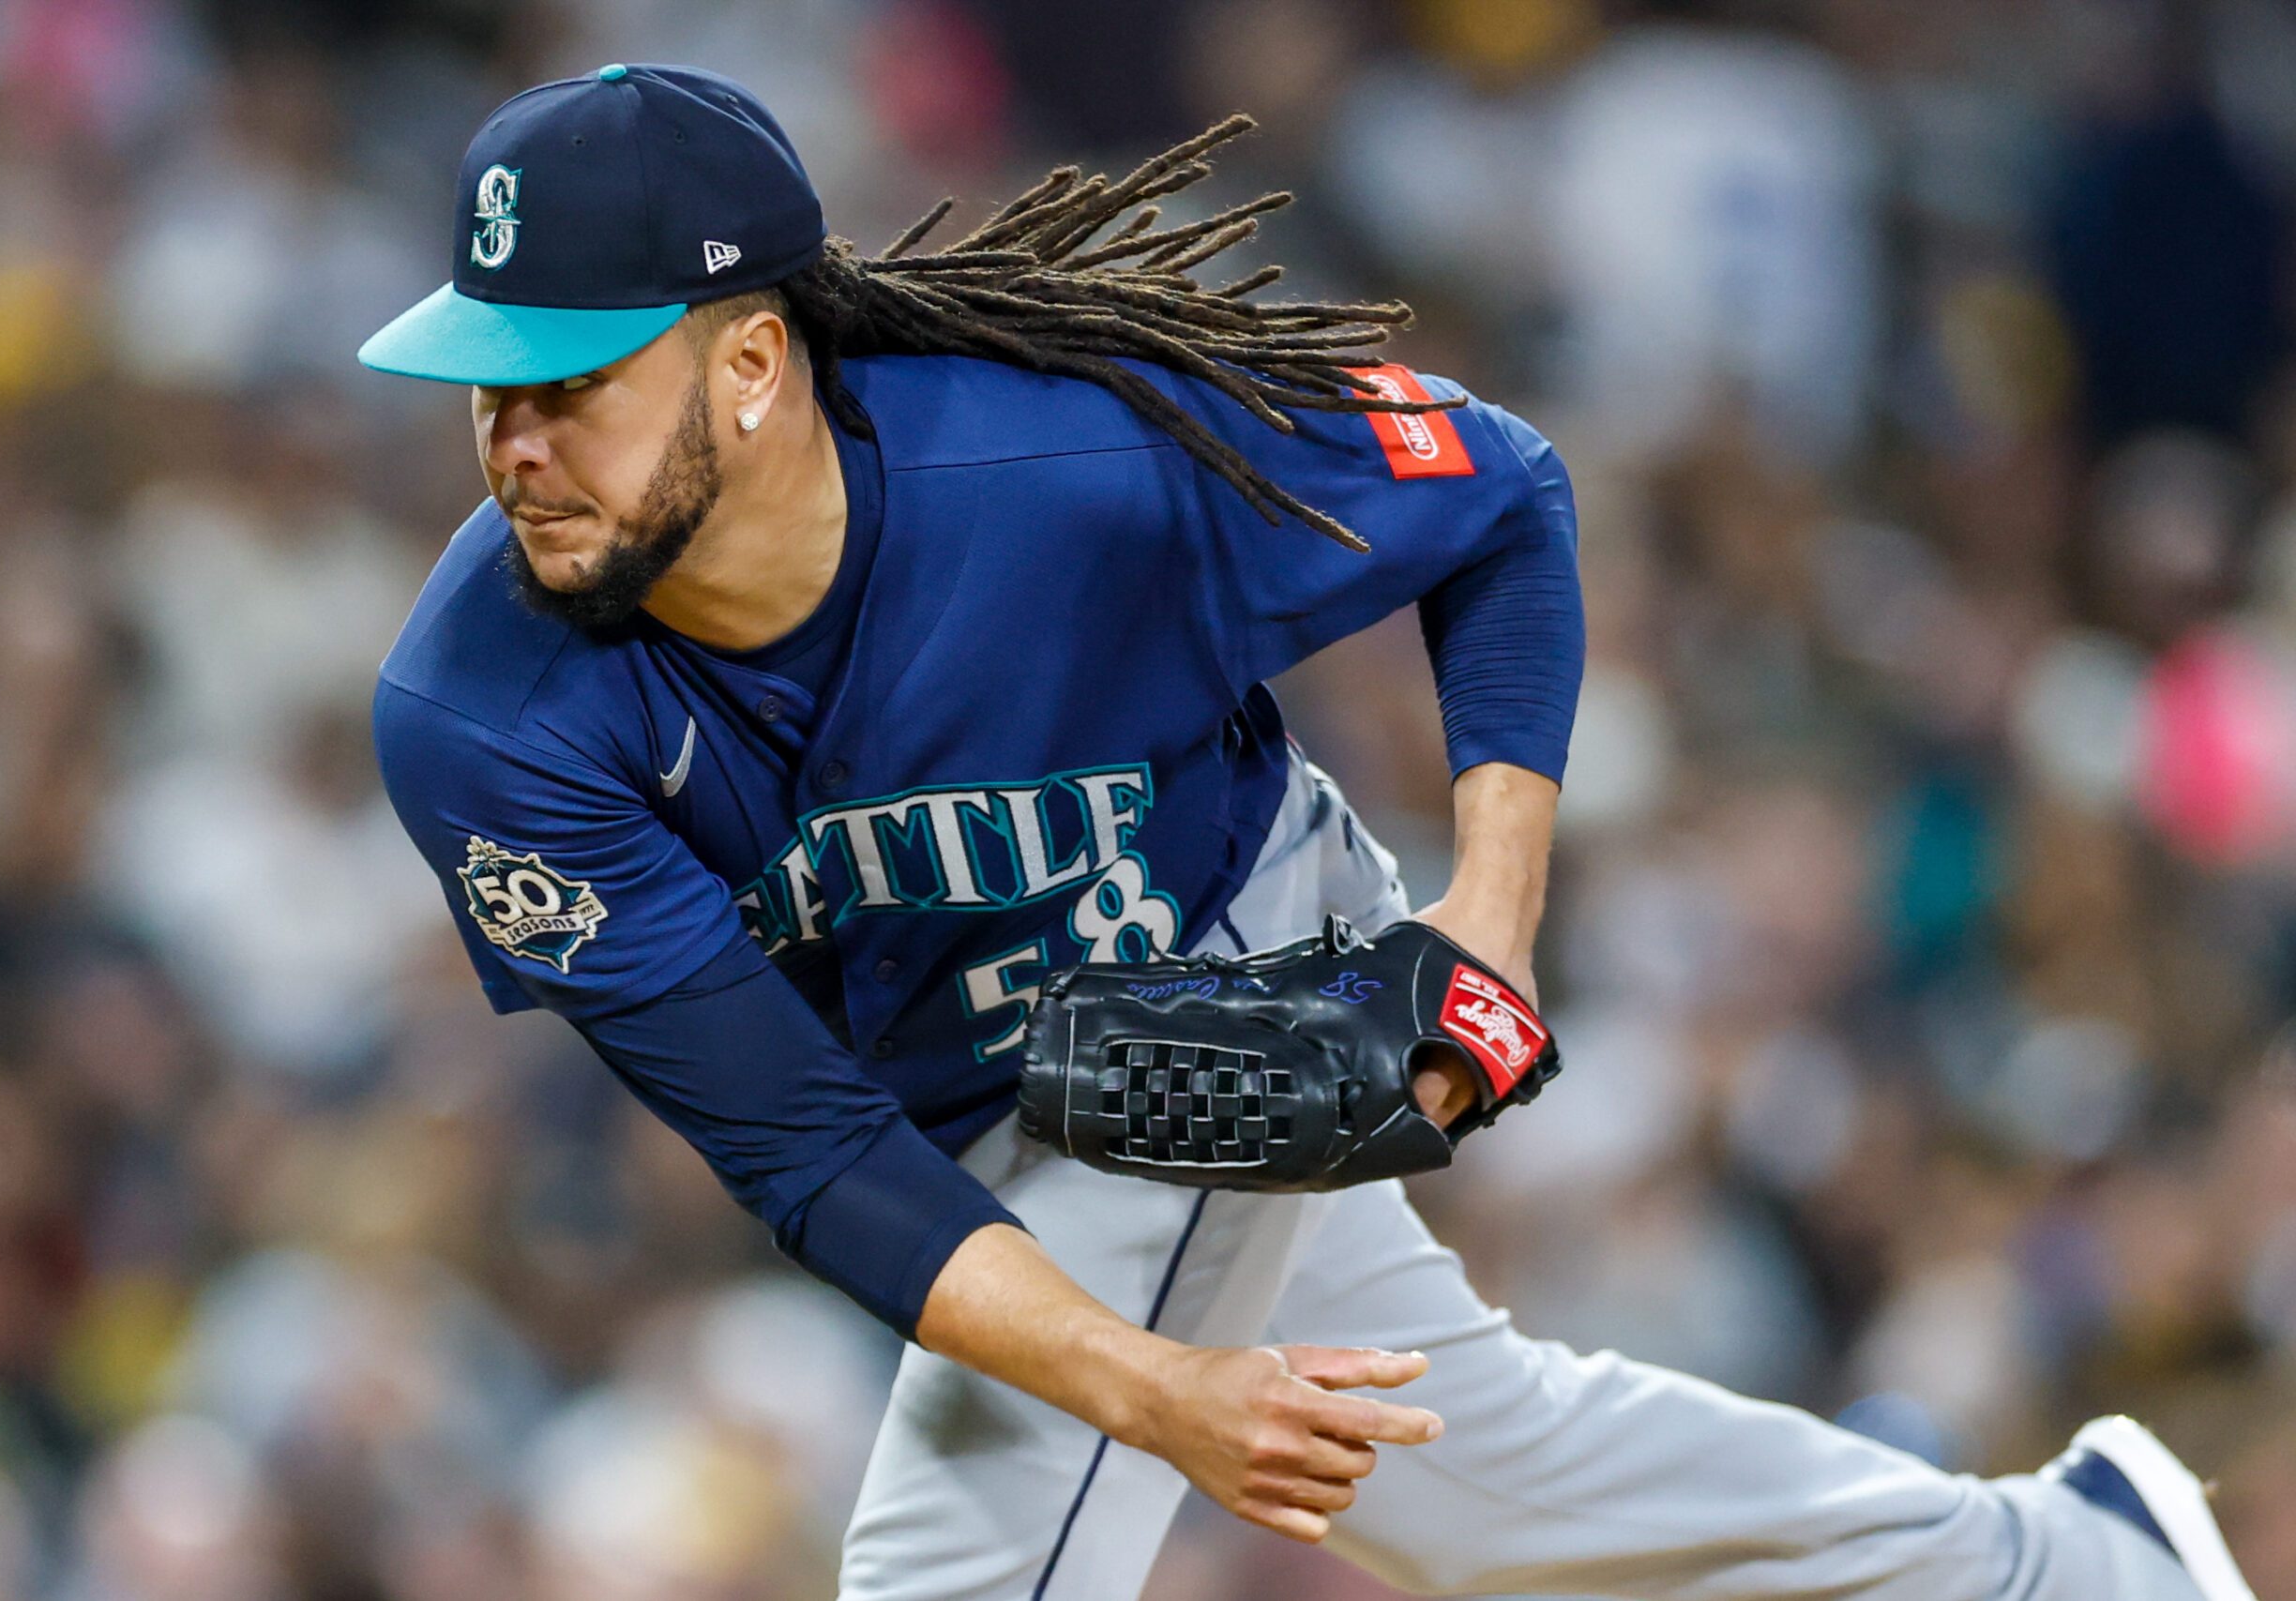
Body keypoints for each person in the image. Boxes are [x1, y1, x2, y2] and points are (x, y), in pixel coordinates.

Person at [359, 63, 2254, 1601]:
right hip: (953, 1102)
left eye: (570, 384)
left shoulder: (1072, 464)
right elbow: (810, 1144)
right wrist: (1163, 1390)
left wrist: (1494, 904)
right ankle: (2066, 1564)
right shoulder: (481, 719)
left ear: (753, 366)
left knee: (956, 1568)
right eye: (486, 390)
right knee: (1480, 1475)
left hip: (1223, 974)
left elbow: (1498, 493)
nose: (514, 440)